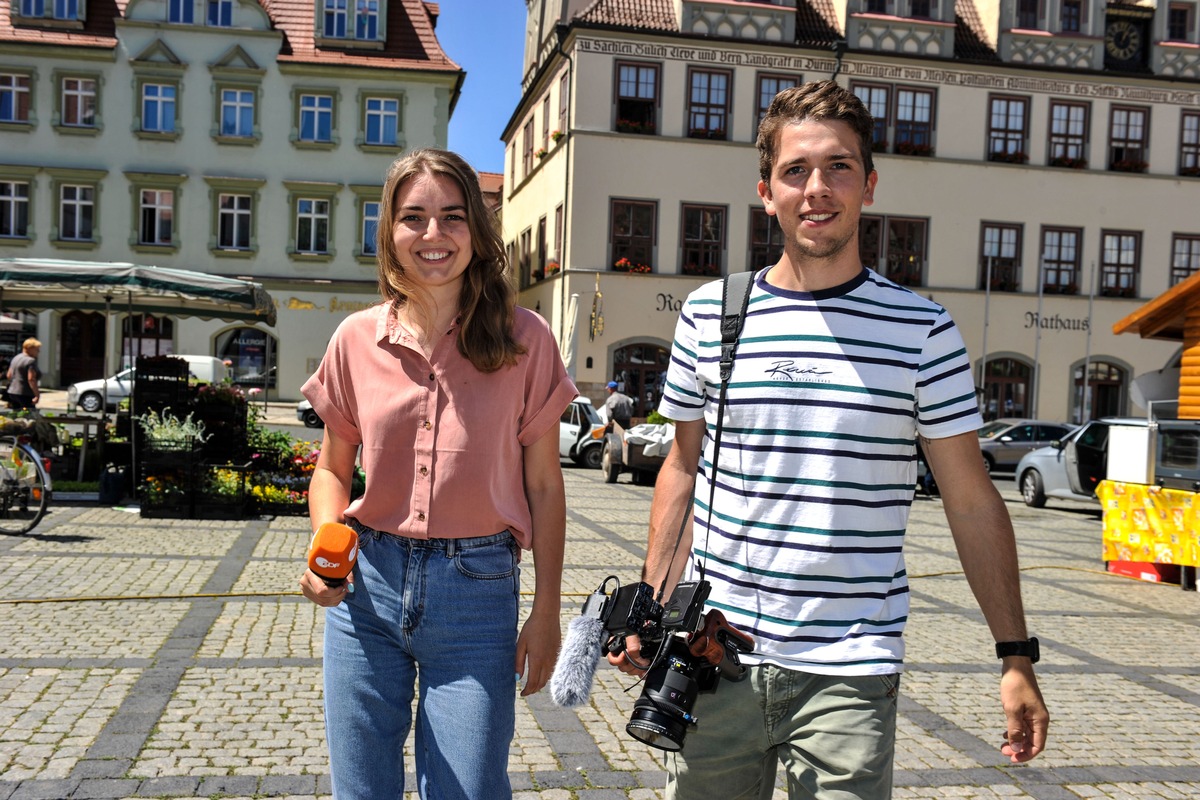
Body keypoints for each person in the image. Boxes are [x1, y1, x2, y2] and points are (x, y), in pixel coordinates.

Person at [610, 81, 1049, 798]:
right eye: (796, 170)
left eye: (839, 167)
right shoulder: (710, 314)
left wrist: (1014, 656)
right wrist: (653, 605)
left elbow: (971, 501)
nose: (818, 189)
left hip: (850, 669)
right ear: (766, 190)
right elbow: (682, 470)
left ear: (869, 184)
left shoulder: (923, 332)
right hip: (713, 656)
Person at [299, 148, 576, 799]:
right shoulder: (355, 339)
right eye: (413, 217)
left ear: (476, 232)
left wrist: (547, 611)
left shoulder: (525, 339)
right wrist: (323, 542)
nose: (433, 235)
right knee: (361, 790)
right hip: (366, 588)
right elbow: (332, 470)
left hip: (477, 591)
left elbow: (544, 486)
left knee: (470, 790)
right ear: (389, 234)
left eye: (452, 217)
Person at [6, 338, 41, 411]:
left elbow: (9, 375)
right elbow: (31, 379)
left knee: (16, 415)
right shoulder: (30, 361)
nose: (38, 352)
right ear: (29, 349)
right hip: (25, 393)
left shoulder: (16, 358)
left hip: (12, 392)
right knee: (29, 415)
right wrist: (37, 395)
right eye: (37, 349)